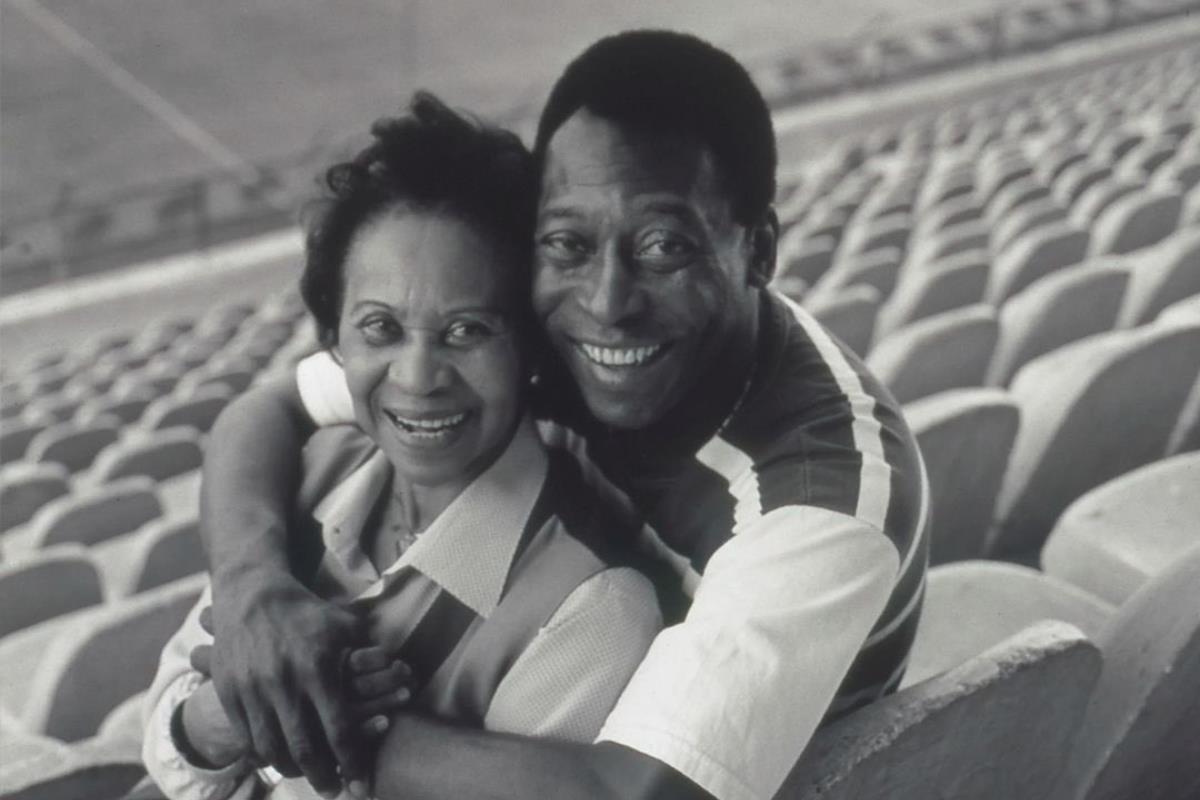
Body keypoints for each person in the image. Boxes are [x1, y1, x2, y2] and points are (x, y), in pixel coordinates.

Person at [198, 30, 930, 800]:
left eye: (663, 247)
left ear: (759, 250)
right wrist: (253, 590)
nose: (607, 303)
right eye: (568, 243)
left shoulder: (822, 500)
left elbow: (635, 796)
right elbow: (272, 406)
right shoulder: (548, 340)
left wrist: (305, 709)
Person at [141, 92, 663, 800]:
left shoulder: (593, 610)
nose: (418, 379)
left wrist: (314, 716)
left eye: (468, 330)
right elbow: (169, 740)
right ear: (335, 340)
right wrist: (223, 716)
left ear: (530, 348)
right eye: (381, 328)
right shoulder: (309, 471)